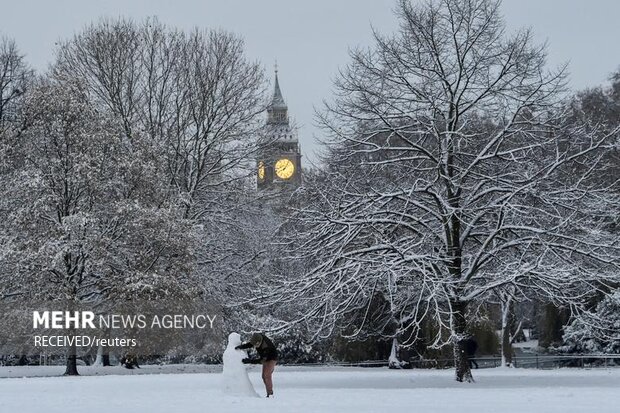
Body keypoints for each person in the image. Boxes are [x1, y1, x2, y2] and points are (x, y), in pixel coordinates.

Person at [235, 332, 278, 397]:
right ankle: (269, 393)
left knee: (267, 375)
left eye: (257, 344)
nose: (255, 346)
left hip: (271, 358)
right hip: (265, 358)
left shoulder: (265, 347)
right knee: (263, 376)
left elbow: (261, 361)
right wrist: (241, 347)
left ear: (260, 342)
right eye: (254, 344)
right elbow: (250, 344)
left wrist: (249, 361)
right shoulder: (256, 339)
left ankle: (270, 394)